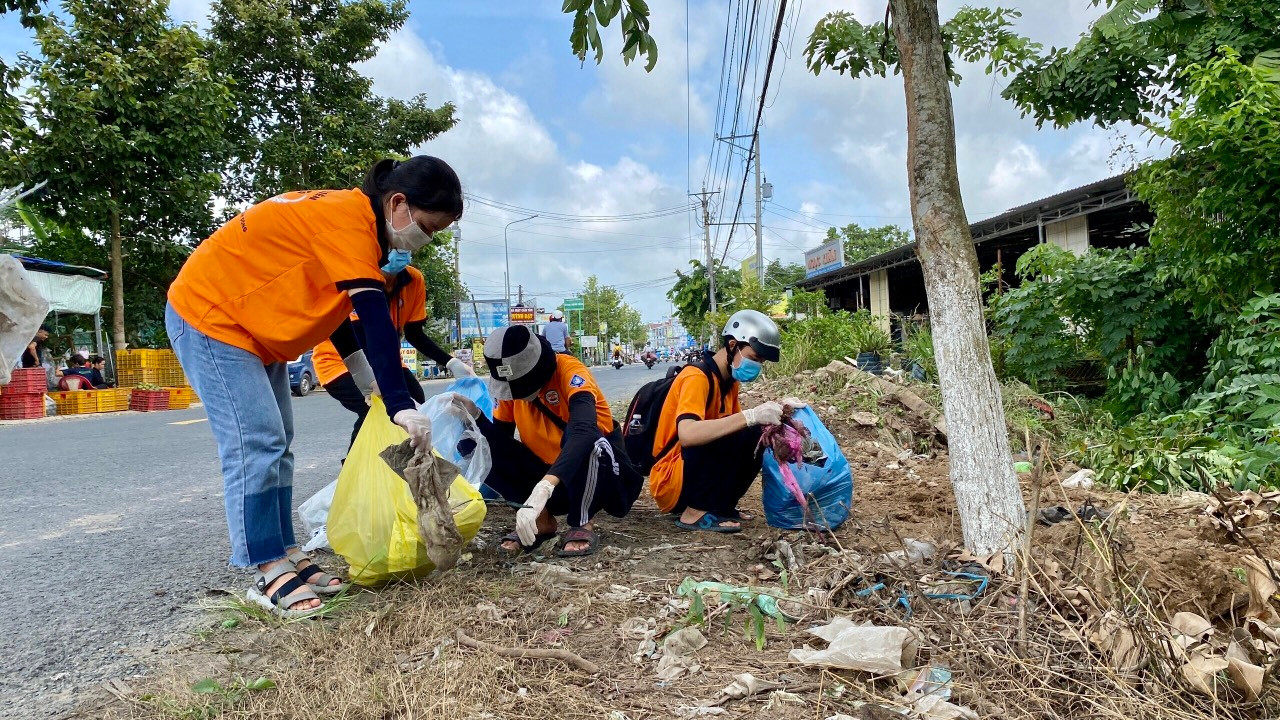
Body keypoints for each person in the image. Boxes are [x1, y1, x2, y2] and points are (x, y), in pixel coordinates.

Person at [165, 155, 462, 617]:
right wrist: (400, 404)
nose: (424, 241)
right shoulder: (347, 222)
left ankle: (284, 549)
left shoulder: (361, 229)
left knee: (278, 443)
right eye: (426, 227)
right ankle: (266, 568)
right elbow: (376, 322)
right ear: (397, 202)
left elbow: (337, 313)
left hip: (255, 331)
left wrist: (370, 384)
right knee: (256, 444)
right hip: (211, 317)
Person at [478, 325, 642, 557]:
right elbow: (501, 440)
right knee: (483, 445)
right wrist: (475, 419)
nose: (517, 394)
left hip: (598, 477)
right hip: (547, 478)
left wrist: (545, 486)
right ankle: (542, 521)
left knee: (589, 439)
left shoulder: (570, 371)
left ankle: (582, 522)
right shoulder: (510, 390)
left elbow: (584, 429)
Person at [648, 310, 801, 533]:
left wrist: (779, 411)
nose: (757, 366)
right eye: (754, 358)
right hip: (672, 479)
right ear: (732, 345)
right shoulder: (696, 377)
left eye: (761, 362)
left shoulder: (729, 382)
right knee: (747, 427)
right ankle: (694, 513)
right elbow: (688, 434)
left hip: (691, 474)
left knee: (756, 433)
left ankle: (721, 506)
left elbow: (737, 437)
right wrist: (750, 416)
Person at [312, 263, 474, 454]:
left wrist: (451, 362)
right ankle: (355, 468)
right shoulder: (357, 273)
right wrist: (373, 381)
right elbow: (359, 335)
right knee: (375, 409)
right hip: (339, 361)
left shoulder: (414, 280)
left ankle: (403, 466)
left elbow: (414, 334)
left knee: (416, 398)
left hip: (388, 358)